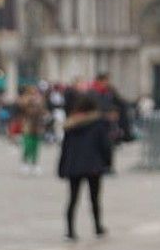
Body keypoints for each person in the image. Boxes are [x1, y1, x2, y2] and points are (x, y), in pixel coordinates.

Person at [57, 93, 112, 240]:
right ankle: (98, 227)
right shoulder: (98, 123)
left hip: (74, 165)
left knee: (72, 199)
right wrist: (108, 162)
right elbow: (105, 145)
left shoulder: (70, 125)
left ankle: (70, 231)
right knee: (94, 198)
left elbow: (64, 148)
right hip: (93, 165)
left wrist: (61, 167)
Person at [17, 85, 47, 175]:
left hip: (37, 126)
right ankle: (25, 163)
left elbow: (43, 111)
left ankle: (35, 164)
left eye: (35, 92)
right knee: (27, 145)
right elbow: (21, 105)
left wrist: (39, 103)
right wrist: (30, 100)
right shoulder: (25, 99)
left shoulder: (40, 101)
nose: (34, 94)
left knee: (36, 146)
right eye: (32, 92)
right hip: (28, 125)